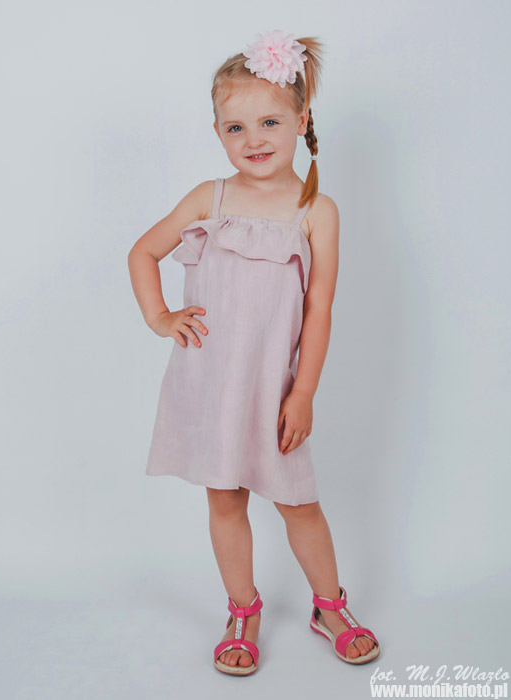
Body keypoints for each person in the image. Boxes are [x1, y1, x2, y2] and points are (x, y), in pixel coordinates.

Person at [128, 29, 380, 676]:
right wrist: (160, 316)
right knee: (225, 500)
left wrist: (304, 392)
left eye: (269, 122)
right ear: (217, 132)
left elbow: (319, 309)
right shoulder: (209, 198)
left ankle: (329, 606)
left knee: (299, 504)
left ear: (301, 119)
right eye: (235, 127)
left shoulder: (315, 210)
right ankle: (243, 609)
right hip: (212, 383)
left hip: (273, 389)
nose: (254, 139)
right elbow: (143, 251)